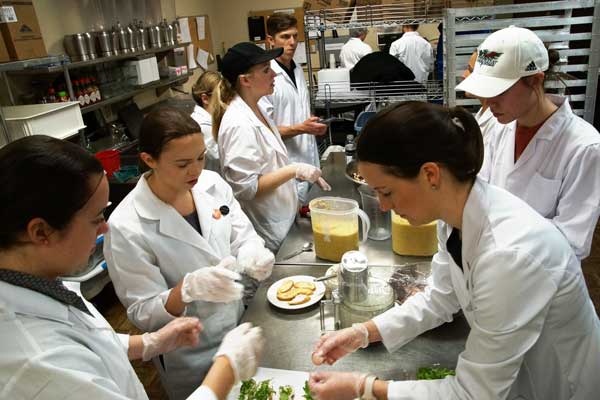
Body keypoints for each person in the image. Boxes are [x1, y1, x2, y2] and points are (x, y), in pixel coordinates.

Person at [308, 101, 600, 400]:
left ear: (431, 175)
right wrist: (364, 332)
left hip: (561, 384)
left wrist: (365, 388)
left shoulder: (510, 253)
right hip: (516, 374)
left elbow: (474, 394)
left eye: (387, 191)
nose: (383, 206)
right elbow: (440, 297)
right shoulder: (453, 216)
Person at [0, 135, 265, 400]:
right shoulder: (39, 362)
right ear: (41, 232)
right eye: (96, 219)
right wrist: (228, 366)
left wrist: (147, 344)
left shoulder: (37, 284)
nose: (105, 227)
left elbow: (89, 337)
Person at [104, 107, 274, 400]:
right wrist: (185, 291)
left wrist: (251, 253)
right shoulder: (126, 226)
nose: (195, 170)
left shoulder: (212, 184)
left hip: (237, 325)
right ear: (149, 160)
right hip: (189, 352)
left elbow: (241, 234)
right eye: (182, 164)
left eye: (200, 157)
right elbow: (143, 313)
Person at [456, 26, 600, 259]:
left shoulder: (585, 147)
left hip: (541, 276)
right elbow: (479, 194)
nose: (489, 102)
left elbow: (572, 242)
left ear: (535, 81)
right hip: (491, 259)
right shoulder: (496, 126)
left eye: (499, 92)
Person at [213, 42, 330, 252]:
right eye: (266, 70)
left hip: (283, 219)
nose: (274, 75)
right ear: (245, 80)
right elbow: (247, 189)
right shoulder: (238, 123)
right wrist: (294, 170)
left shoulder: (257, 109)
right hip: (267, 230)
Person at [260, 13, 328, 203]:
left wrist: (311, 123)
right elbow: (264, 131)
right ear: (270, 40)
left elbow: (296, 110)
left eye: (295, 36)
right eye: (285, 37)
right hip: (285, 167)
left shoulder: (297, 69)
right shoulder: (266, 77)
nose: (292, 42)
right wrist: (300, 128)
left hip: (308, 158)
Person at [191, 71, 222, 173]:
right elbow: (221, 156)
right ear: (205, 98)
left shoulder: (213, 119)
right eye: (221, 96)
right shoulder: (202, 126)